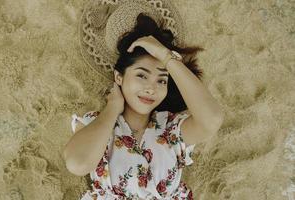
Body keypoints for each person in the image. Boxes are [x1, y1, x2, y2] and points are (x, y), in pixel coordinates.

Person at [63, 0, 224, 199]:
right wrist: (113, 108)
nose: (151, 88)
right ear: (119, 77)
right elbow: (77, 164)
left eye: (162, 80)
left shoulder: (170, 129)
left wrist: (166, 57)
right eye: (141, 75)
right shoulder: (97, 124)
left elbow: (212, 119)